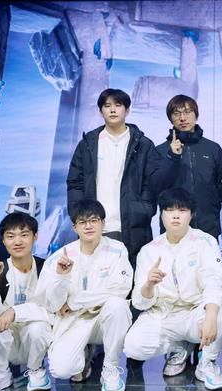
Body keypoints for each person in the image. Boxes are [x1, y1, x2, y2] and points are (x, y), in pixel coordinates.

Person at [123, 189, 222, 390]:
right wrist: (149, 285)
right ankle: (180, 347)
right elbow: (140, 302)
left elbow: (215, 280)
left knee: (221, 315)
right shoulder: (149, 250)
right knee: (133, 347)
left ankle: (207, 363)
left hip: (195, 312)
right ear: (161, 215)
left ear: (191, 214)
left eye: (182, 210)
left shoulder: (205, 241)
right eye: (169, 210)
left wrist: (210, 316)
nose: (175, 215)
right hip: (163, 315)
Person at [41, 199, 133, 391]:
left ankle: (110, 368)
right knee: (61, 370)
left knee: (118, 306)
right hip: (73, 320)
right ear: (74, 227)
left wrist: (75, 301)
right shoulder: (60, 257)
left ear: (103, 223)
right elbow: (52, 303)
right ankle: (84, 352)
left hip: (103, 317)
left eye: (93, 220)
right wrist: (61, 278)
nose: (88, 226)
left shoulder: (117, 249)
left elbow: (120, 289)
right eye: (82, 222)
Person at [66, 88, 160, 266]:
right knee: (94, 277)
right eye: (107, 105)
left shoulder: (143, 145)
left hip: (132, 225)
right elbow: (75, 183)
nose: (113, 110)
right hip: (94, 225)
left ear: (127, 110)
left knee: (134, 277)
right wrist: (79, 214)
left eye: (118, 105)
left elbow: (152, 183)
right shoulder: (88, 144)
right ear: (100, 111)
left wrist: (143, 210)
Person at [0, 213, 52, 391]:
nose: (17, 241)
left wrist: (14, 312)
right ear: (3, 240)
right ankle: (0, 374)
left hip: (35, 341)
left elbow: (51, 309)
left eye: (24, 234)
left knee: (40, 326)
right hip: (5, 342)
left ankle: (36, 370)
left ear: (35, 236)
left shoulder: (46, 269)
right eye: (10, 236)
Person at [155, 95, 222, 239]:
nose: (183, 118)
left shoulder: (212, 148)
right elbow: (156, 186)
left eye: (188, 112)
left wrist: (210, 202)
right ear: (170, 118)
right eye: (177, 113)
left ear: (196, 115)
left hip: (208, 224)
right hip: (173, 226)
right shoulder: (160, 151)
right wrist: (172, 157)